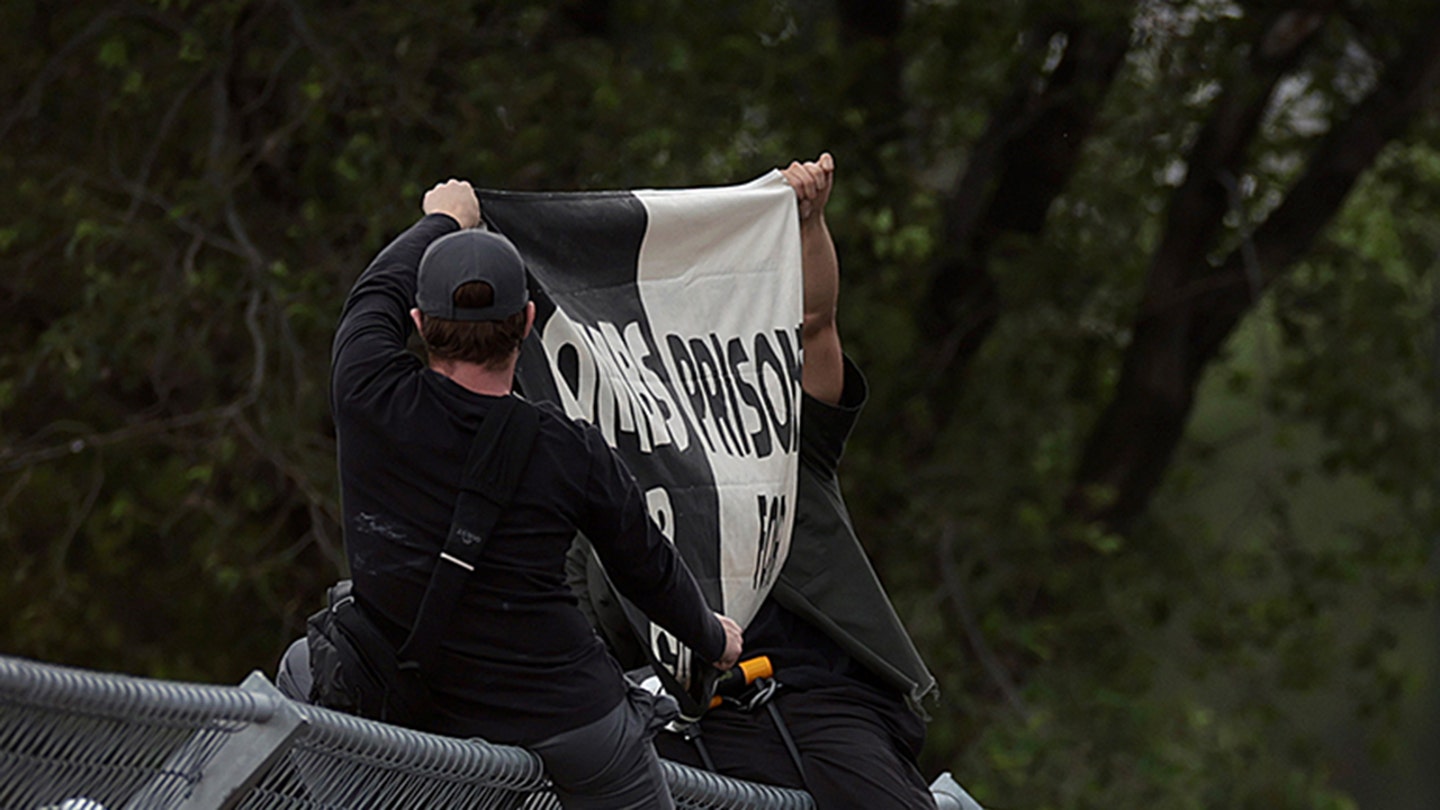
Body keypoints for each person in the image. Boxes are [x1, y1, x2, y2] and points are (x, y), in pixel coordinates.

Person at [328, 178, 743, 809]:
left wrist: (442, 220)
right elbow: (646, 568)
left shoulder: (368, 391)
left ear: (417, 323)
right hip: (570, 719)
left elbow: (374, 293)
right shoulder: (568, 450)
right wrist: (712, 639)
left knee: (302, 669)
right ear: (526, 322)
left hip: (419, 711)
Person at [571, 154, 939, 808]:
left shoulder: (779, 434)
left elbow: (816, 324)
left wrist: (806, 222)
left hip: (816, 699)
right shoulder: (601, 490)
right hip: (691, 718)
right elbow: (583, 642)